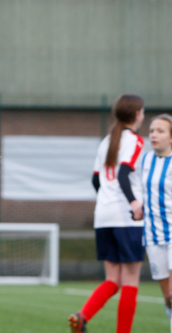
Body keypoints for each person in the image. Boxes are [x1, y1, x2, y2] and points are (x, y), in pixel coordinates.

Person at [67, 94, 145, 333]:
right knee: (130, 281)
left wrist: (107, 201)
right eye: (142, 112)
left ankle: (82, 316)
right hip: (127, 218)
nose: (143, 116)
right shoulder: (135, 141)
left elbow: (95, 179)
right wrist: (133, 203)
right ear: (135, 115)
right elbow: (123, 175)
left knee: (113, 280)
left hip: (104, 216)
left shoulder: (106, 141)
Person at [141, 114, 172, 332]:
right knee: (167, 297)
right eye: (152, 130)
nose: (153, 134)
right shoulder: (145, 160)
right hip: (152, 236)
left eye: (160, 131)